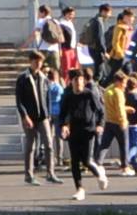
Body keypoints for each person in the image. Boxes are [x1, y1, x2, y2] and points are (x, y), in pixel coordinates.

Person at [60, 56, 108, 198]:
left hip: (88, 131)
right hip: (74, 132)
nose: (79, 82)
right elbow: (63, 114)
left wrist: (100, 125)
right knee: (75, 161)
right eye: (76, 80)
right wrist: (64, 126)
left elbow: (101, 111)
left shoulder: (90, 94)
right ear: (71, 82)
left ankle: (100, 174)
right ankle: (79, 189)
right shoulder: (67, 96)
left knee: (86, 160)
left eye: (81, 80)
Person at [15, 52, 52, 184]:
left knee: (49, 143)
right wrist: (25, 116)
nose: (38, 64)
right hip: (29, 117)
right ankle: (28, 175)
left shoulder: (44, 78)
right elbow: (19, 101)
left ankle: (50, 173)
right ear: (30, 62)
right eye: (36, 61)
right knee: (31, 146)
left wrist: (48, 114)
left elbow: (48, 97)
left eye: (40, 62)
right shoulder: (23, 78)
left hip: (43, 116)